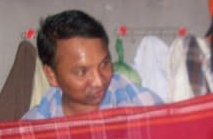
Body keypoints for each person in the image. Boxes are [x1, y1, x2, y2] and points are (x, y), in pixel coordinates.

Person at [23, 10, 162, 119]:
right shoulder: (33, 131)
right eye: (81, 72)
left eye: (105, 64)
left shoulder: (147, 108)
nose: (99, 81)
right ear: (51, 75)